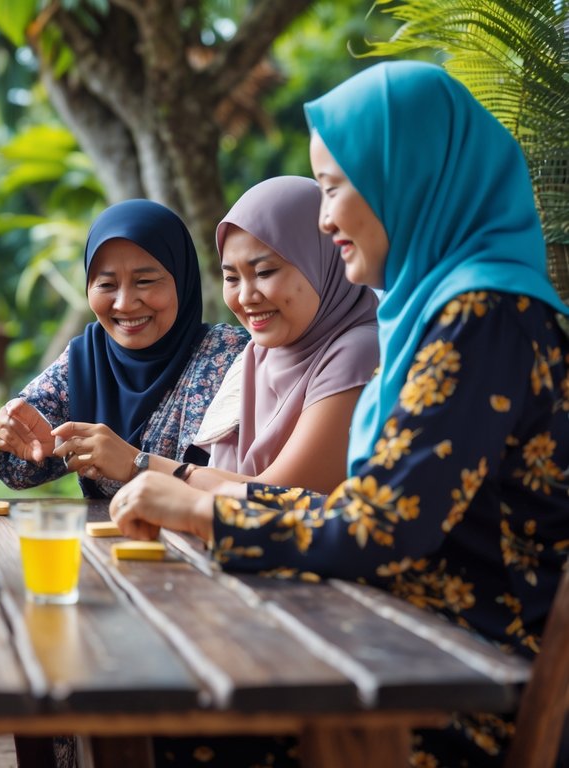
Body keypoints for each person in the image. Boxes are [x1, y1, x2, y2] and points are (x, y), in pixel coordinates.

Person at [111, 61, 569, 766]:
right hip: (403, 645)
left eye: (332, 188)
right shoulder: (437, 311)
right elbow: (369, 506)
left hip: (463, 684)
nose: (324, 221)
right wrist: (202, 501)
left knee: (167, 719)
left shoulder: (481, 316)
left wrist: (204, 512)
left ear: (405, 176)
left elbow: (379, 525)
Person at [119, 176, 378, 494]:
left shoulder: (359, 351)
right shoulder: (258, 355)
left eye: (264, 272)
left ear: (322, 261)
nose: (245, 297)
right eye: (231, 278)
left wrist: (137, 464)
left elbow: (275, 495)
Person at [0, 200, 248, 498]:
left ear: (182, 280)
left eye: (145, 281)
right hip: (108, 530)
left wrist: (134, 463)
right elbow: (19, 470)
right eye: (106, 285)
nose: (124, 304)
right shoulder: (87, 358)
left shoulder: (229, 356)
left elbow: (260, 488)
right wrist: (17, 433)